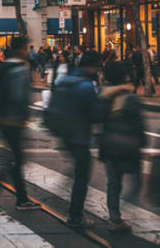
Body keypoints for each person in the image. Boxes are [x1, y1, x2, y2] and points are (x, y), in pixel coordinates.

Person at [0, 37, 39, 210]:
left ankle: (21, 198)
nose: (27, 52)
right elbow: (19, 97)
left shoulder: (4, 67)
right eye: (26, 48)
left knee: (14, 160)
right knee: (13, 160)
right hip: (14, 121)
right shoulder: (20, 70)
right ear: (20, 50)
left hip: (2, 119)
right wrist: (24, 117)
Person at [55, 50, 109, 228]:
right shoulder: (86, 86)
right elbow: (97, 114)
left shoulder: (66, 80)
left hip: (65, 134)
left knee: (79, 171)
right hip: (80, 137)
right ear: (92, 66)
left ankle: (74, 208)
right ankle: (75, 215)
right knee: (82, 176)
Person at [99, 62, 145, 233]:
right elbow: (138, 124)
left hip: (108, 145)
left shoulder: (103, 96)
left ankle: (115, 217)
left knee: (113, 183)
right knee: (137, 180)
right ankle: (128, 204)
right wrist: (142, 142)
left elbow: (98, 120)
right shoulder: (130, 97)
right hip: (128, 146)